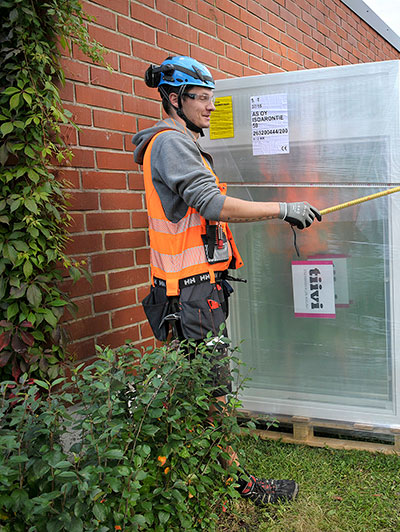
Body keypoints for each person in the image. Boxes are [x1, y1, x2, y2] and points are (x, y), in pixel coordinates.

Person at [132, 56, 322, 506]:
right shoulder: (171, 144)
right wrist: (282, 208)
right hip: (190, 292)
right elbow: (212, 204)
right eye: (201, 98)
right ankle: (240, 485)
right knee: (212, 392)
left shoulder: (180, 143)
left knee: (201, 387)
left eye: (211, 98)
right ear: (174, 99)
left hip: (198, 289)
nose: (211, 107)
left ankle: (183, 466)